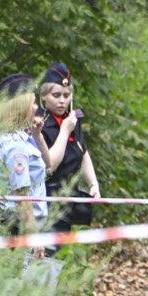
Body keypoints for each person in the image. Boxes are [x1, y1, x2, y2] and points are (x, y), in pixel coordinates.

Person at [39, 62, 101, 245]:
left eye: (66, 95)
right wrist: (64, 131)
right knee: (48, 254)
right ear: (43, 97)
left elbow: (82, 151)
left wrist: (93, 183)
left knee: (60, 253)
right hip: (47, 197)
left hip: (68, 196)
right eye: (56, 95)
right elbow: (49, 165)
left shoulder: (73, 119)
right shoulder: (39, 123)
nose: (62, 101)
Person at [0, 73, 52, 258]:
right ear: (20, 107)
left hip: (21, 223)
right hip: (19, 225)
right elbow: (21, 194)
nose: (36, 108)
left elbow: (48, 164)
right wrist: (34, 237)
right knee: (20, 281)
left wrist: (37, 135)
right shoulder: (16, 145)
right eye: (32, 103)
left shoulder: (16, 137)